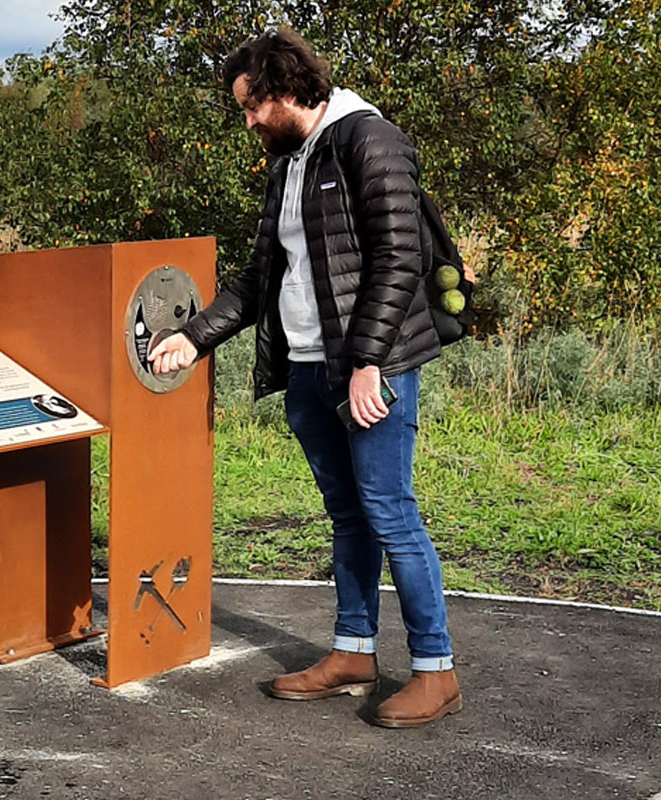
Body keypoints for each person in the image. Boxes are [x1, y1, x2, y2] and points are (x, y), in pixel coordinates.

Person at [148, 27, 461, 728]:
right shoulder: (290, 163)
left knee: (390, 512)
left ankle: (436, 670)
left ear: (287, 88)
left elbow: (397, 259)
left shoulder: (367, 140)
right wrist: (191, 340)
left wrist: (368, 362)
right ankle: (353, 651)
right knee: (348, 515)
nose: (250, 121)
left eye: (253, 106)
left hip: (368, 371)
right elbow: (261, 278)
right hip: (309, 372)